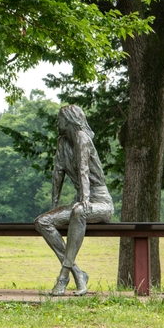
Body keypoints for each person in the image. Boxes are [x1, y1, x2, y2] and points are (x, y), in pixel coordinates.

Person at [34, 105, 114, 296]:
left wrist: (85, 198)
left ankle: (63, 276)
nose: (56, 123)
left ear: (68, 120)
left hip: (100, 202)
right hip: (81, 201)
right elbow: (57, 174)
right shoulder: (62, 143)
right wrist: (54, 207)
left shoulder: (81, 137)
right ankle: (78, 273)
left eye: (59, 119)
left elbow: (83, 169)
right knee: (42, 221)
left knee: (79, 210)